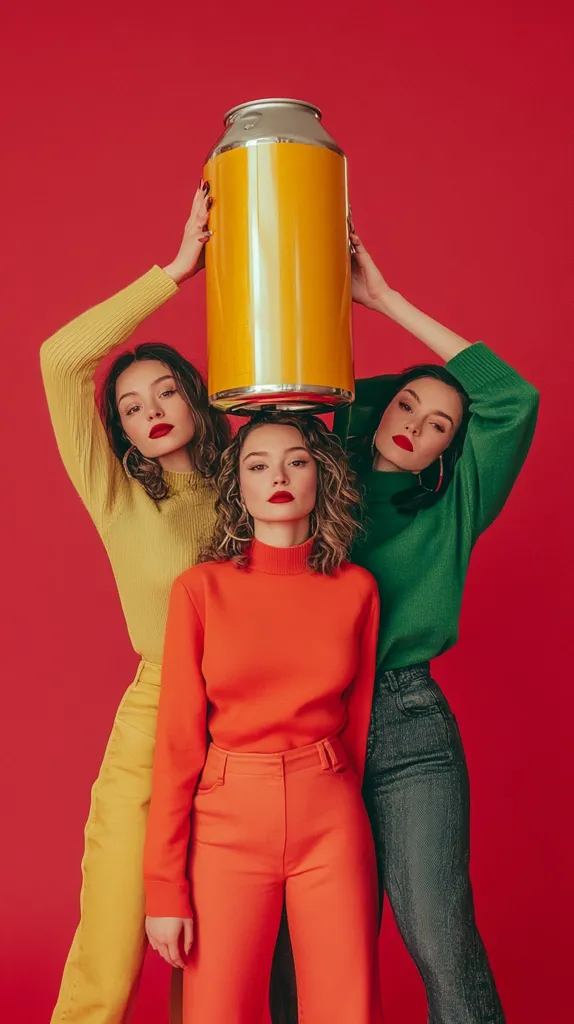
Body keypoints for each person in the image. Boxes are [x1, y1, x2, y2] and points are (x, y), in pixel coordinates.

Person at [273, 227, 539, 1024]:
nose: (415, 426)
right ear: (382, 403)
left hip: (407, 724)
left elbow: (514, 400)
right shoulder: (318, 482)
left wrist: (384, 300)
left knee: (438, 935)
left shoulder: (456, 506)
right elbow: (305, 405)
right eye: (408, 405)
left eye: (439, 427)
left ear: (449, 452)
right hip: (306, 720)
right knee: (303, 946)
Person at [41, 182, 231, 1024]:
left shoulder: (255, 487)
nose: (150, 412)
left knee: (215, 966)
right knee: (111, 956)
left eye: (165, 392)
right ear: (116, 428)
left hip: (243, 733)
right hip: (155, 719)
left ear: (196, 395)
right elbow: (60, 360)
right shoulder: (119, 496)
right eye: (130, 406)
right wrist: (177, 270)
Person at [143, 413, 383, 1024]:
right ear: (238, 487)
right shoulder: (200, 590)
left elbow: (357, 723)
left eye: (297, 461)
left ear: (322, 476)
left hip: (329, 813)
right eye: (258, 465)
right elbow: (176, 745)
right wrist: (164, 886)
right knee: (214, 1010)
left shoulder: (357, 589)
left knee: (346, 1007)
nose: (278, 476)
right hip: (226, 817)